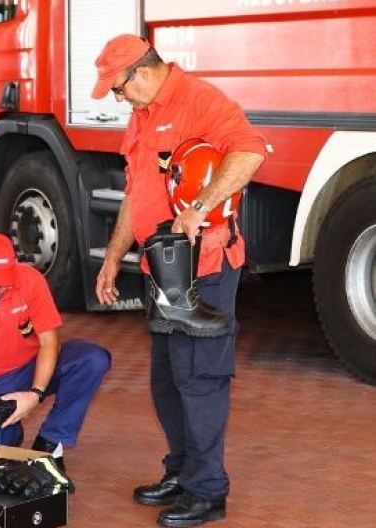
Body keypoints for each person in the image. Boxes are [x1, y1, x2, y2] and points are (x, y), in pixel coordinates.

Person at [91, 34, 267, 527]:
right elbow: (136, 193)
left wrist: (200, 207)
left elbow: (250, 152)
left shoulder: (199, 100)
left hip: (204, 268)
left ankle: (207, 491)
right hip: (162, 268)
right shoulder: (142, 114)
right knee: (168, 381)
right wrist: (113, 257)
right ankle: (182, 470)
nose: (118, 98)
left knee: (200, 379)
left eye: (118, 88)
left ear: (143, 72)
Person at [0, 232, 111, 476]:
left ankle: (50, 442)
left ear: (15, 266)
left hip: (33, 366)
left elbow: (49, 342)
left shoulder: (31, 280)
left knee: (91, 360)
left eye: (3, 284)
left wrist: (35, 394)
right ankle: (9, 431)